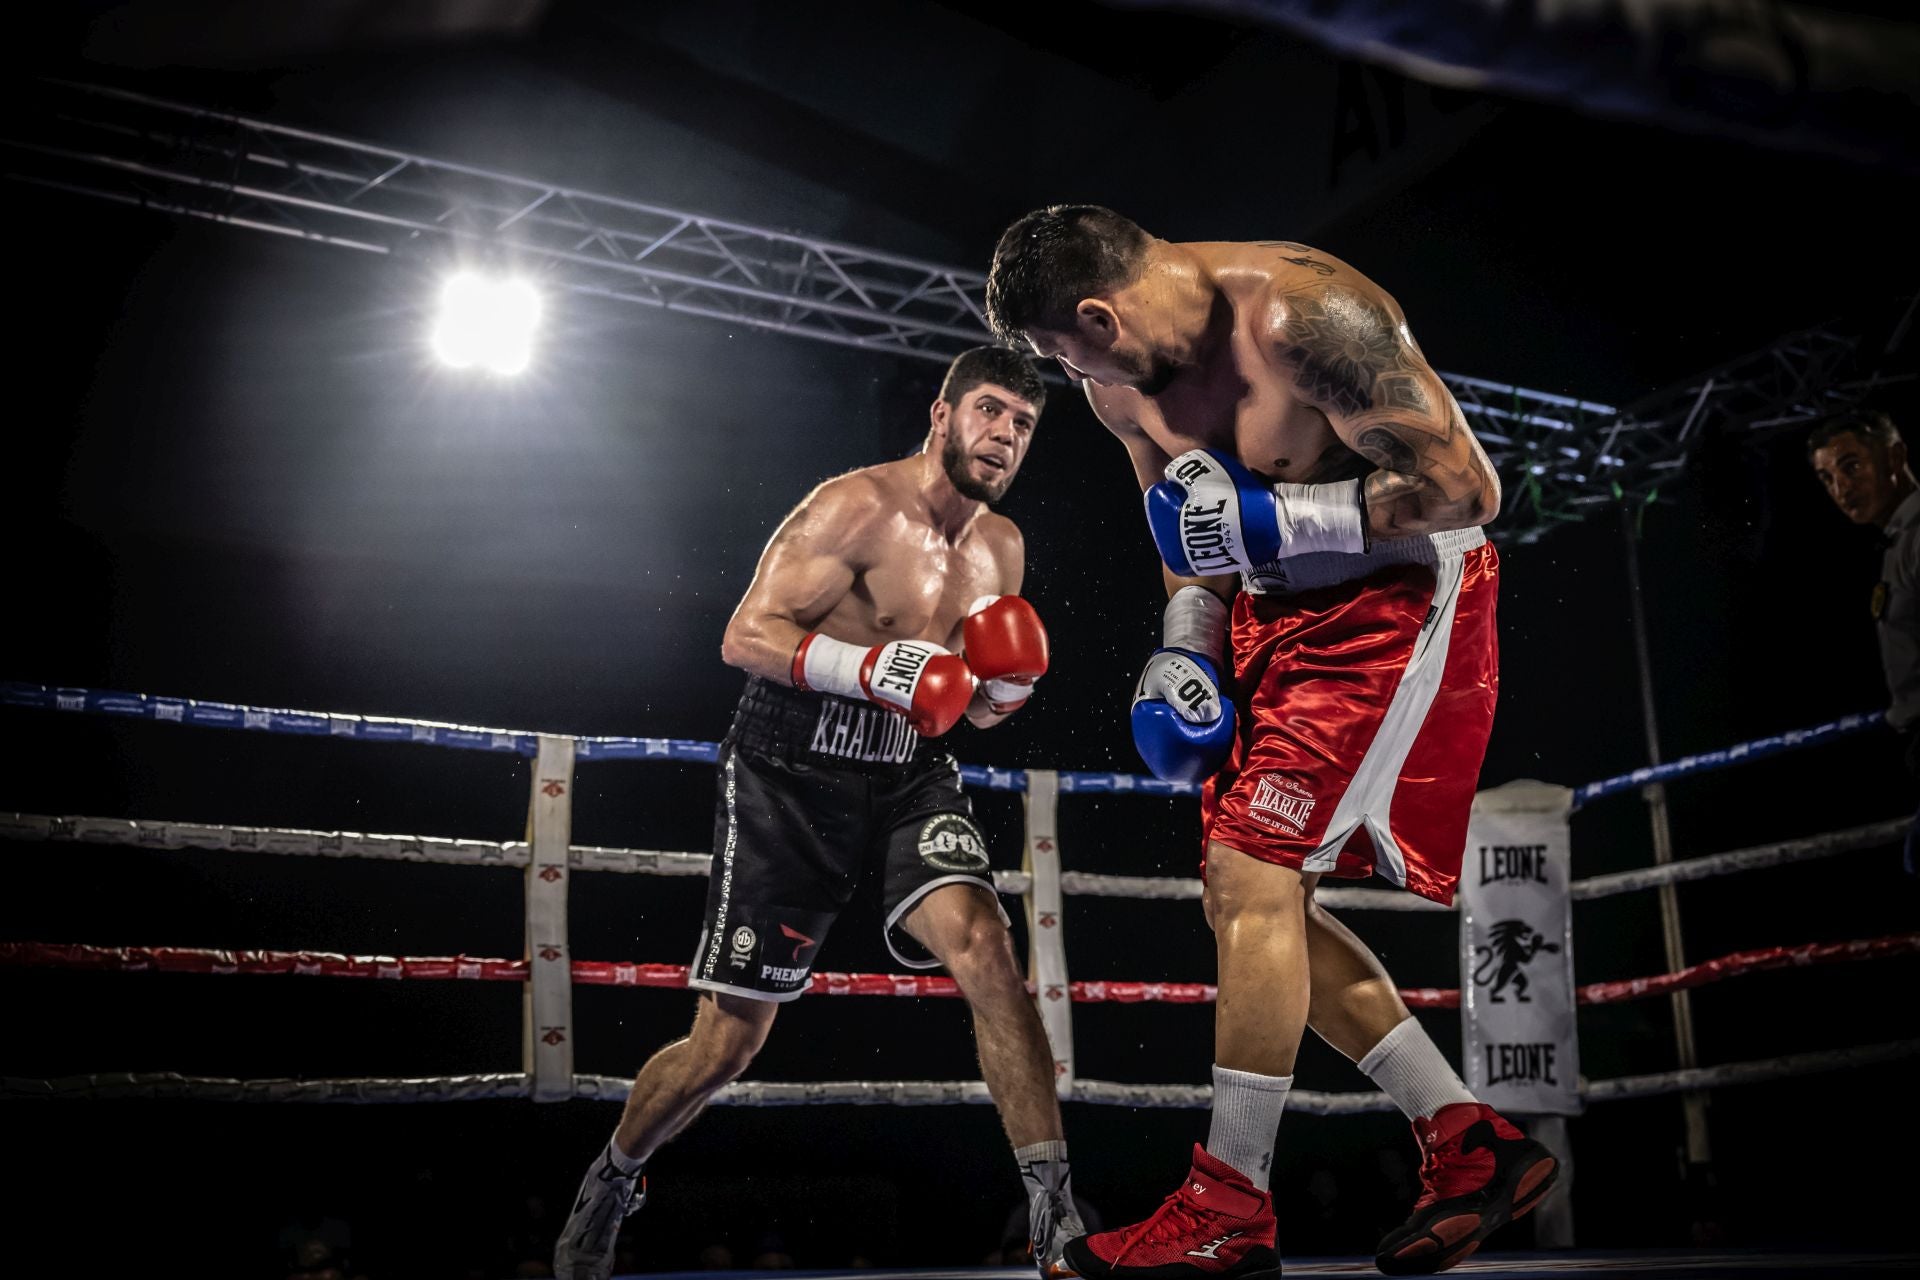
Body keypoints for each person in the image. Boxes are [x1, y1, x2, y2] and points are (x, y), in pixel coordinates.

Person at [986, 207, 1557, 1277]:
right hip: (1270, 613)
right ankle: (1467, 1138)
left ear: (1101, 314)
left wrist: (1285, 521)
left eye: (1065, 351)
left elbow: (1467, 490)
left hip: (1394, 597)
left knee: (1254, 873)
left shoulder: (1303, 315)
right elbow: (1185, 536)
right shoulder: (1117, 388)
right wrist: (1189, 646)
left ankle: (1228, 1201)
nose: (1070, 375)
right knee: (1243, 895)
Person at [553, 347, 1082, 1280]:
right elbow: (744, 634)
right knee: (729, 1042)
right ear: (943, 414)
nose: (1005, 434)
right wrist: (865, 667)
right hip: (790, 772)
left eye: (1023, 423)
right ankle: (615, 1174)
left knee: (990, 951)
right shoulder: (856, 506)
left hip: (909, 772)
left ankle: (1055, 1214)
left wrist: (1005, 694)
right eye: (991, 411)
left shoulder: (1001, 548)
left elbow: (962, 701)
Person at [1809, 409, 1920, 777]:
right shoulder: (1896, 542)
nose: (1841, 489)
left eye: (1852, 467)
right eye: (1828, 479)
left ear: (1895, 457)